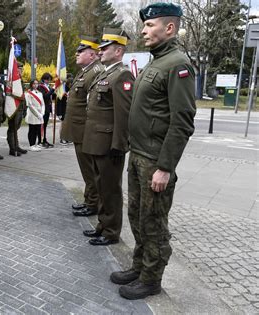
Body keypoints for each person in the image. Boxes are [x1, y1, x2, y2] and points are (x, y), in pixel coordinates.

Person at [110, 2, 196, 300]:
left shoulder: (177, 64)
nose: (143, 30)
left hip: (155, 161)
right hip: (139, 156)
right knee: (136, 215)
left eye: (149, 25)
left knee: (154, 222)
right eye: (144, 25)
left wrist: (165, 167)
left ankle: (151, 279)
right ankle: (139, 267)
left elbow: (182, 121)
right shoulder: (156, 61)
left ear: (169, 28)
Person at [81, 29, 134, 246]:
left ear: (118, 50)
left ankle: (111, 232)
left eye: (105, 48)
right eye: (100, 47)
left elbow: (124, 114)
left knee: (110, 190)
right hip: (96, 142)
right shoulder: (105, 73)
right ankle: (102, 225)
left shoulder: (122, 75)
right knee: (101, 187)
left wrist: (119, 145)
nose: (100, 51)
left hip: (109, 145)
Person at [60, 37, 104, 217]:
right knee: (87, 170)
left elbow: (93, 106)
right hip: (79, 130)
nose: (76, 54)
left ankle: (93, 204)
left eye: (81, 51)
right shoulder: (85, 72)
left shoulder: (95, 72)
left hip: (85, 131)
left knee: (90, 171)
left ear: (92, 54)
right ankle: (89, 199)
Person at [7, 62, 27, 156]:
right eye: (20, 69)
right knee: (12, 128)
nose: (21, 71)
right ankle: (12, 148)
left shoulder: (20, 80)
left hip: (20, 108)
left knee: (16, 128)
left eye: (22, 69)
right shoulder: (12, 80)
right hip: (14, 108)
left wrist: (25, 108)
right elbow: (10, 94)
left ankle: (16, 146)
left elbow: (23, 95)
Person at [25, 79, 45, 152]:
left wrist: (42, 113)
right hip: (32, 113)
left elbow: (43, 104)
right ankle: (31, 145)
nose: (35, 85)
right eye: (34, 84)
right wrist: (38, 114)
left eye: (37, 84)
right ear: (31, 84)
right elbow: (30, 105)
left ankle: (35, 144)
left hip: (39, 113)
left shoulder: (40, 93)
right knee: (32, 130)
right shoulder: (28, 93)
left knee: (37, 130)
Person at [37, 73, 54, 147]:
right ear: (43, 79)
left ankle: (44, 139)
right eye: (47, 79)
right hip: (43, 108)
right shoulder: (41, 87)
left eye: (49, 79)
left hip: (48, 108)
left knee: (45, 125)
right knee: (41, 125)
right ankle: (40, 141)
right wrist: (52, 90)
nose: (48, 81)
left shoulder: (48, 86)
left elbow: (51, 97)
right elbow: (45, 96)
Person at [58, 73, 73, 145]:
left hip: (69, 109)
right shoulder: (63, 89)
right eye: (70, 83)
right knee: (63, 125)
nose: (71, 85)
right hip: (63, 109)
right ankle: (62, 139)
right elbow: (59, 101)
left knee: (68, 125)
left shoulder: (71, 89)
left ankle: (67, 138)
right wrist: (59, 113)